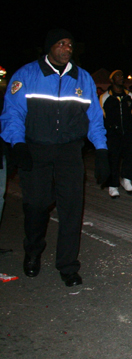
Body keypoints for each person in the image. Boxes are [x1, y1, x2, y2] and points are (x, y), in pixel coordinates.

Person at [0, 29, 109, 287]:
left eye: (70, 44)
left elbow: (94, 117)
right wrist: (18, 144)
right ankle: (33, 250)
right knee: (37, 205)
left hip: (70, 152)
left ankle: (68, 265)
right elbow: (12, 113)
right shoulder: (27, 75)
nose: (67, 48)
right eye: (61, 43)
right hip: (36, 150)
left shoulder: (82, 78)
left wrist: (102, 149)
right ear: (49, 47)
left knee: (72, 209)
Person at [99, 70, 132, 198]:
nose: (121, 78)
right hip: (113, 134)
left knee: (131, 156)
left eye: (122, 76)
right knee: (113, 159)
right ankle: (113, 185)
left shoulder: (130, 96)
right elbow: (102, 116)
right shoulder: (105, 97)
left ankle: (127, 180)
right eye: (118, 76)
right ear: (112, 80)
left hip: (127, 133)